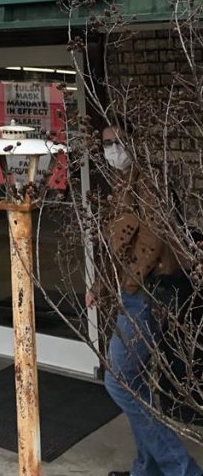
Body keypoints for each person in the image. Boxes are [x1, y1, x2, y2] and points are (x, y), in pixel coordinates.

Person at [87, 125, 202, 476]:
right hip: (134, 292)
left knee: (119, 381)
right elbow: (116, 245)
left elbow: (151, 242)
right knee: (134, 384)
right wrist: (104, 285)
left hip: (146, 293)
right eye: (106, 144)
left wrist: (128, 283)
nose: (111, 149)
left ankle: (182, 470)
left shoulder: (149, 182)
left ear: (134, 142)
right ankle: (146, 468)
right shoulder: (124, 182)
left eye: (117, 142)